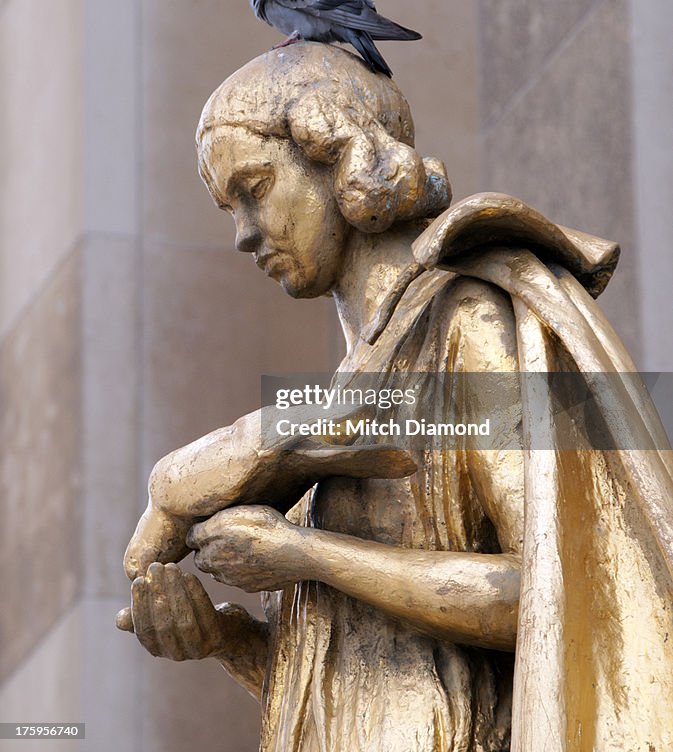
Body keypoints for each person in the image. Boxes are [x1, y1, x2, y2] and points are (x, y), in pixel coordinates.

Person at [118, 44, 673, 752]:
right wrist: (229, 641)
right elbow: (376, 682)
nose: (243, 234)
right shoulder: (352, 395)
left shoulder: (468, 320)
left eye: (254, 188)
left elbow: (559, 595)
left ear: (334, 156)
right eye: (229, 207)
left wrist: (308, 556)